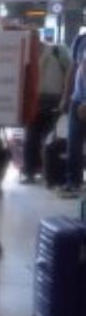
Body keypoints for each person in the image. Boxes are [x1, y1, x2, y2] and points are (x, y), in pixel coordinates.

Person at [21, 34, 71, 183]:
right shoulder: (26, 56)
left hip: (55, 99)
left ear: (38, 39)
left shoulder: (58, 51)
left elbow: (69, 72)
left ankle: (49, 171)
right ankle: (30, 171)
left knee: (50, 138)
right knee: (31, 137)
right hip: (34, 100)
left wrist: (66, 98)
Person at [57, 31, 86, 198]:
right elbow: (73, 69)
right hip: (77, 100)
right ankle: (73, 181)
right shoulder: (81, 39)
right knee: (73, 143)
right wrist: (65, 97)